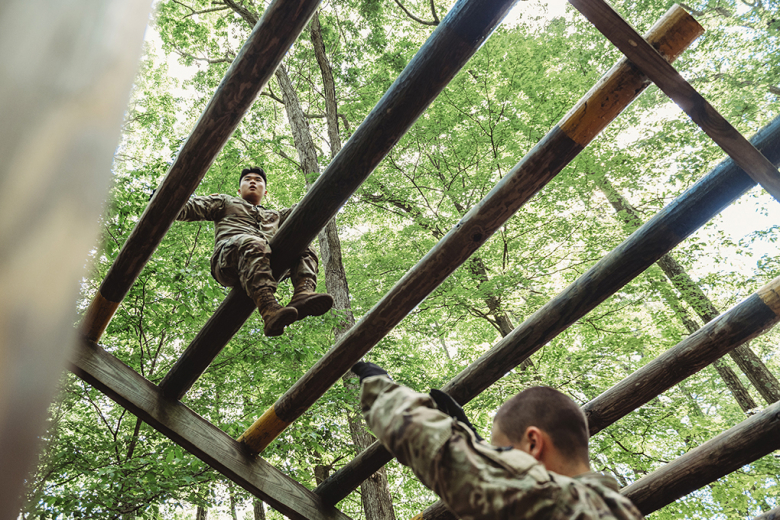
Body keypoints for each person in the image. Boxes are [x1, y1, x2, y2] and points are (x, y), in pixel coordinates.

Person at [351, 361, 644, 520]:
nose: (498, 458)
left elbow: (452, 460)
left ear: (533, 443)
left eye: (503, 450)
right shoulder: (612, 508)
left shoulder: (563, 502)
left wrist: (381, 390)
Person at [176, 167, 333, 336]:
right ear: (239, 189)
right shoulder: (225, 202)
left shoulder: (275, 215)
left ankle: (303, 292)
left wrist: (330, 188)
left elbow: (304, 210)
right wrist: (169, 199)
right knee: (253, 242)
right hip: (229, 261)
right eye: (247, 179)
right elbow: (190, 207)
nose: (252, 181)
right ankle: (268, 308)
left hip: (266, 263)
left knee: (304, 243)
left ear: (265, 191)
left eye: (258, 180)